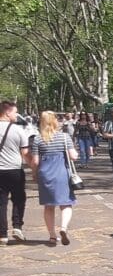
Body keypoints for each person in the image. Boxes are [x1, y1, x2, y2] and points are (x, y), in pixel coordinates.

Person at [29, 111, 79, 246]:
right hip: (62, 173)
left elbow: (35, 161)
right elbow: (73, 156)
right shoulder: (64, 137)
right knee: (66, 203)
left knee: (48, 206)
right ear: (55, 121)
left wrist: (34, 173)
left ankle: (52, 236)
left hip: (45, 174)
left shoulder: (38, 139)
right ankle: (63, 228)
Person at [0, 102, 31, 245]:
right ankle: (17, 226)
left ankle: (2, 235)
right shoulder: (18, 130)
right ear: (7, 112)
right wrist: (35, 168)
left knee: (1, 203)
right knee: (19, 199)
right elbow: (25, 153)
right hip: (15, 170)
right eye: (14, 113)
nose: (16, 116)